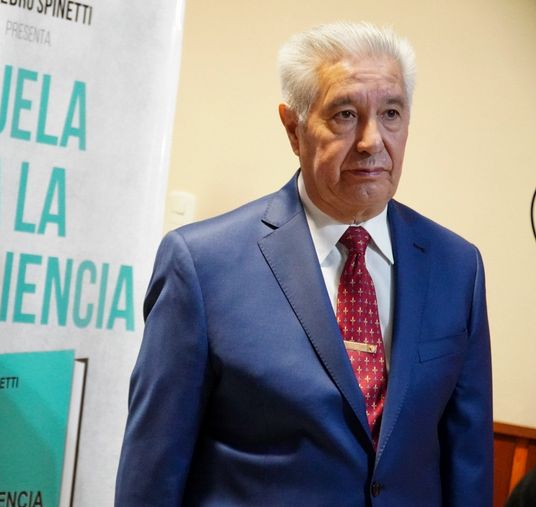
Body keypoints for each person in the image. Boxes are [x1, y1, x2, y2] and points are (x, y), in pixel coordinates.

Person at [115, 21, 492, 506]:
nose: (372, 140)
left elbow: (468, 466)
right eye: (346, 114)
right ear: (293, 129)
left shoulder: (457, 268)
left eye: (391, 113)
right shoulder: (202, 266)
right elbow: (151, 476)